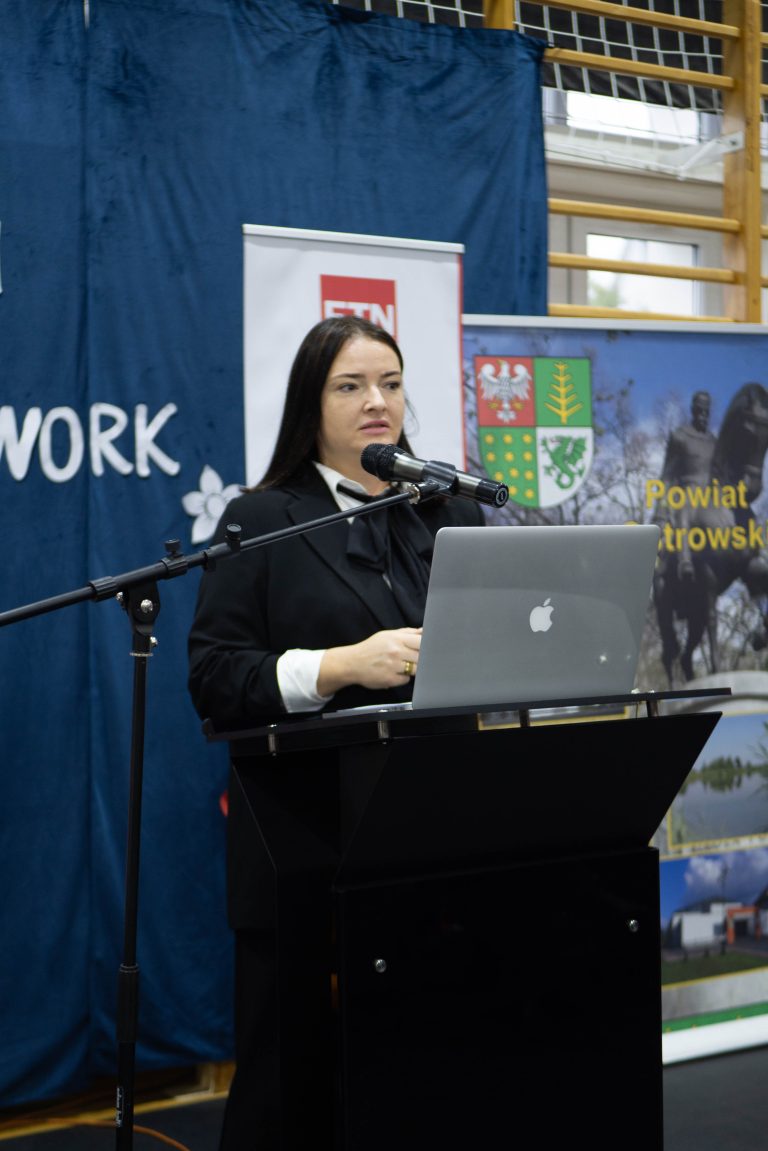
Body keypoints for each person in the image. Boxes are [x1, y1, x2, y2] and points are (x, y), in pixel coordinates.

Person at [187, 315, 485, 1150]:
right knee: (293, 1089)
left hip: (434, 832)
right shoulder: (260, 518)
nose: (376, 401)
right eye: (350, 386)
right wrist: (338, 666)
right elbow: (214, 676)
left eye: (390, 382)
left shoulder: (447, 509)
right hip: (305, 838)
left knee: (428, 1074)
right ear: (309, 406)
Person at [658, 389, 716, 578]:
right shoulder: (680, 437)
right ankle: (685, 560)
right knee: (685, 509)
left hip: (712, 497)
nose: (703, 415)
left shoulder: (714, 442)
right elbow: (667, 476)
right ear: (693, 410)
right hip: (688, 492)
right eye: (700, 410)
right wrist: (660, 513)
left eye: (706, 411)